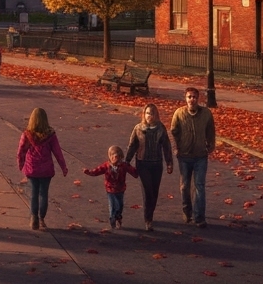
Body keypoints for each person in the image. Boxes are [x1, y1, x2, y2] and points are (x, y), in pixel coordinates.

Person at [170, 87, 216, 228]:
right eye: (189, 96)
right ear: (185, 98)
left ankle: (199, 217)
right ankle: (187, 211)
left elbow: (210, 130)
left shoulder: (206, 114)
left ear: (198, 98)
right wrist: (176, 147)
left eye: (195, 97)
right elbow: (174, 131)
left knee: (199, 186)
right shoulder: (179, 113)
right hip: (184, 156)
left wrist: (211, 145)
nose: (192, 99)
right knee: (184, 186)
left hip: (200, 156)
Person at [16, 107, 67, 230]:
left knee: (34, 194)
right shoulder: (50, 135)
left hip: (32, 168)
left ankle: (34, 218)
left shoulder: (27, 134)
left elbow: (21, 151)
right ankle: (42, 218)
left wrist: (21, 164)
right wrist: (63, 167)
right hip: (46, 169)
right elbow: (57, 152)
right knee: (43, 194)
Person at [126, 103, 174, 231]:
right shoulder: (138, 128)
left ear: (156, 115)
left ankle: (150, 214)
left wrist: (169, 163)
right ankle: (148, 220)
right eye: (147, 113)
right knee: (147, 192)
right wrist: (126, 162)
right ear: (144, 114)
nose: (149, 116)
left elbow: (167, 147)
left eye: (152, 114)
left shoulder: (160, 129)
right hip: (143, 164)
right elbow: (132, 146)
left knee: (154, 192)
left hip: (156, 164)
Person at [84, 145, 139, 230]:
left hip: (120, 189)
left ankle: (118, 217)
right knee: (112, 205)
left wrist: (139, 171)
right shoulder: (106, 166)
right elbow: (97, 171)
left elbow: (133, 172)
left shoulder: (124, 165)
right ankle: (112, 218)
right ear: (110, 157)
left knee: (120, 205)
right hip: (110, 189)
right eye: (113, 156)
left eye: (118, 158)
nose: (116, 160)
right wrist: (89, 172)